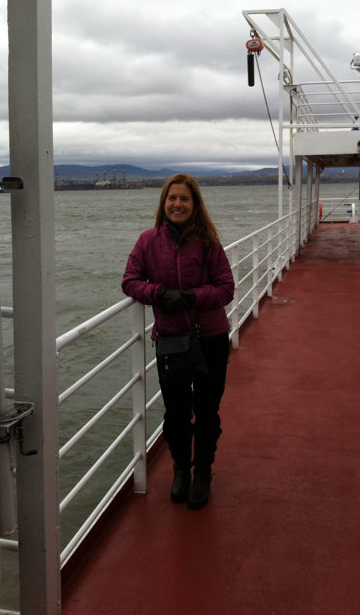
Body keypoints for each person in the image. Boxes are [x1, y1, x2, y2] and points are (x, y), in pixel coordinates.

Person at [122, 174, 234, 510]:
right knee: (176, 413)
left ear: (195, 204)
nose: (178, 204)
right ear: (164, 203)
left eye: (185, 198)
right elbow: (130, 281)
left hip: (211, 338)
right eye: (172, 198)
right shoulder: (148, 241)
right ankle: (181, 469)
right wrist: (159, 293)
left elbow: (226, 289)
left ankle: (203, 473)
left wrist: (190, 297)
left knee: (207, 411)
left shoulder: (209, 242)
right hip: (171, 341)